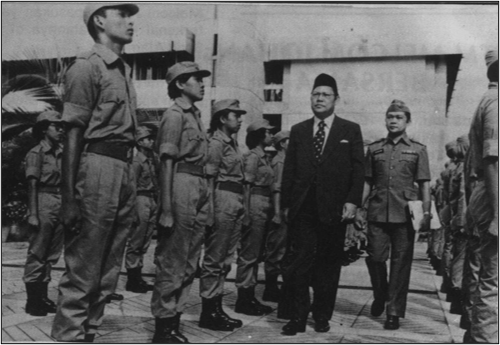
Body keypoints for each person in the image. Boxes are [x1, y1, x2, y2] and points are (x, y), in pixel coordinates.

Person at [51, 3, 139, 342]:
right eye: (122, 15)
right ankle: (68, 336)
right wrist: (69, 196)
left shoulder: (122, 71)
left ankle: (89, 333)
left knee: (108, 269)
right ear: (99, 21)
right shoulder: (86, 68)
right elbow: (73, 133)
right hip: (97, 166)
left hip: (123, 168)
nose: (130, 22)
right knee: (84, 268)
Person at [280, 73, 365, 335]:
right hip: (303, 207)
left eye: (325, 94)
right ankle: (297, 316)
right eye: (315, 94)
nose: (319, 99)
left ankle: (321, 316)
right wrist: (285, 204)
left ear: (336, 99)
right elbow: (290, 170)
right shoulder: (299, 130)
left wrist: (352, 201)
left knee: (328, 264)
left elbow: (358, 170)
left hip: (334, 209)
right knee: (299, 264)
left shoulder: (349, 130)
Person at [356, 99, 431, 331]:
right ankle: (380, 293)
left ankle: (393, 311)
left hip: (405, 214)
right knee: (375, 258)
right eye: (390, 117)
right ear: (385, 120)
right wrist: (359, 207)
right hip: (377, 212)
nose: (393, 121)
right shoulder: (375, 149)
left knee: (400, 264)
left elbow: (424, 184)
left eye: (398, 117)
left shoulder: (418, 150)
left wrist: (426, 212)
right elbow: (367, 182)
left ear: (407, 121)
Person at [151, 61, 211, 343]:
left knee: (189, 261)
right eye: (196, 79)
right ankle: (163, 328)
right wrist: (166, 207)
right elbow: (166, 162)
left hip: (198, 186)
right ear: (179, 84)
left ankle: (174, 321)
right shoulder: (174, 116)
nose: (201, 83)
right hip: (180, 185)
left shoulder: (196, 116)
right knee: (172, 260)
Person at [198, 99, 247, 332]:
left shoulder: (233, 143)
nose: (239, 119)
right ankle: (209, 311)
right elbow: (209, 178)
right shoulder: (216, 143)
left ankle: (216, 308)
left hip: (235, 199)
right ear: (222, 118)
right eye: (235, 115)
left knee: (227, 258)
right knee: (214, 258)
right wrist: (208, 210)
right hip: (222, 198)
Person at [462, 49, 498, 344]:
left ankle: (475, 338)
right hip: (495, 199)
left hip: (488, 197)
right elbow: (493, 162)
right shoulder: (497, 102)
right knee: (494, 283)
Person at [23, 111, 65, 317]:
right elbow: (31, 184)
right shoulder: (36, 153)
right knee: (38, 252)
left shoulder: (62, 152)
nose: (60, 129)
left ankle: (43, 297)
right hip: (43, 201)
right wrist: (33, 213)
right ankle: (32, 301)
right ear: (43, 129)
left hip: (59, 201)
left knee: (51, 255)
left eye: (61, 126)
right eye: (55, 126)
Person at [234, 119, 275, 317]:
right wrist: (247, 214)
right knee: (249, 254)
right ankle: (244, 298)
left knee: (256, 253)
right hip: (255, 204)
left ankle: (249, 296)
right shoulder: (252, 157)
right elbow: (246, 186)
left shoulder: (264, 157)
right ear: (259, 134)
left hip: (264, 204)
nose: (271, 135)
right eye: (268, 132)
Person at [125, 126, 158, 293]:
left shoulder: (151, 160)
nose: (151, 141)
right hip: (140, 198)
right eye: (148, 138)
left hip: (151, 198)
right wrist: (132, 210)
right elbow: (131, 187)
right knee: (136, 239)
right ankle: (133, 279)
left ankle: (138, 276)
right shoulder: (137, 162)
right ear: (139, 142)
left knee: (145, 239)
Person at [263, 130, 290, 303]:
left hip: (283, 211)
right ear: (282, 144)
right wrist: (278, 213)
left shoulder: (285, 161)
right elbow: (276, 189)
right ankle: (270, 289)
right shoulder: (279, 162)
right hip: (279, 212)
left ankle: (274, 287)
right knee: (276, 249)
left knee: (281, 249)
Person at [448, 135, 470, 314]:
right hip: (466, 220)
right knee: (464, 259)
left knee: (459, 257)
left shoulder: (457, 168)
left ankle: (456, 293)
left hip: (458, 218)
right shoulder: (464, 168)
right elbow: (462, 196)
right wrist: (462, 221)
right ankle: (459, 299)